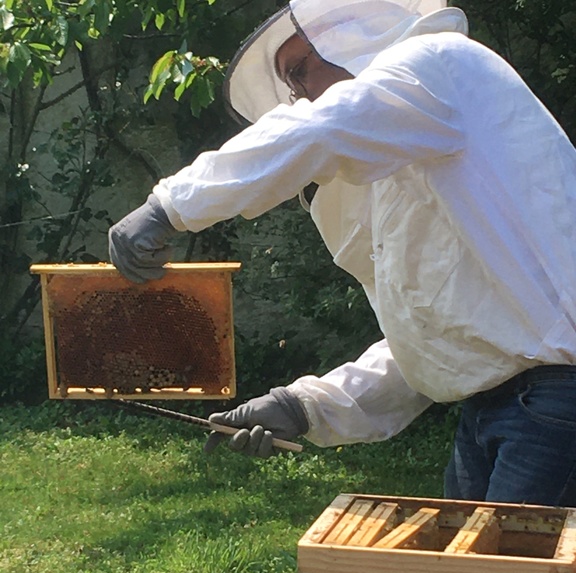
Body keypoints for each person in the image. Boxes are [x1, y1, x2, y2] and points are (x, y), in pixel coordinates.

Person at [108, 0, 576, 506]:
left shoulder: (440, 64)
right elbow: (438, 341)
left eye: (300, 70)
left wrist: (169, 205)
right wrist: (303, 406)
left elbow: (320, 128)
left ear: (353, 38)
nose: (298, 96)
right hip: (501, 408)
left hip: (557, 399)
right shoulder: (428, 173)